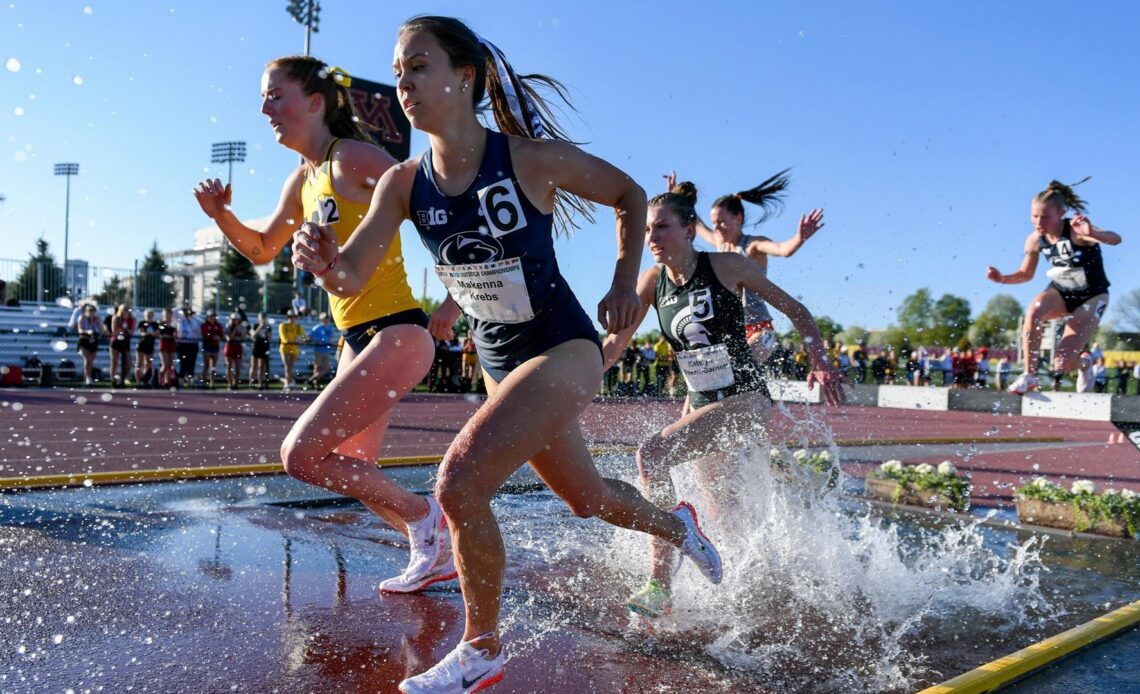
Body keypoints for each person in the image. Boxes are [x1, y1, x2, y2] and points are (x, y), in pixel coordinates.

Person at [290, 17, 725, 692]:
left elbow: (629, 196)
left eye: (419, 67)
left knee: (459, 483)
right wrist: (322, 263)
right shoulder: (403, 184)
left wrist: (620, 284)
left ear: (465, 79)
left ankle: (482, 650)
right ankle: (677, 525)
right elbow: (349, 275)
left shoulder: (527, 159)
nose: (404, 82)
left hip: (562, 347)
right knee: (587, 498)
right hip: (500, 359)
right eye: (398, 70)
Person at [193, 55, 452, 598]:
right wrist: (221, 217)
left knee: (301, 456)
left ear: (315, 102)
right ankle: (440, 550)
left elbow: (436, 206)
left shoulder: (353, 157)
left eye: (275, 95)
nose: (265, 108)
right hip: (356, 337)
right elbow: (263, 248)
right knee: (352, 469)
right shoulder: (303, 181)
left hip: (398, 330)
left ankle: (427, 516)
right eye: (264, 98)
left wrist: (454, 299)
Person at [602, 185, 844, 619]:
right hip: (700, 404)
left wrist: (820, 359)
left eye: (662, 228)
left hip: (745, 402)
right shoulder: (653, 282)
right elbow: (615, 345)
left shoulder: (728, 265)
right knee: (722, 513)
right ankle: (749, 585)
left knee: (652, 453)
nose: (653, 238)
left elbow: (797, 310)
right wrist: (576, 375)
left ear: (690, 231)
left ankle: (660, 582)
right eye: (647, 230)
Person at [665, 170, 825, 368]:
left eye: (722, 222)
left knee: (736, 368)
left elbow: (783, 250)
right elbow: (695, 222)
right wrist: (675, 198)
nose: (717, 228)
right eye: (714, 223)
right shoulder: (719, 243)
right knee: (715, 377)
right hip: (731, 330)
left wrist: (799, 238)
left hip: (762, 331)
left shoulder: (753, 245)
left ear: (737, 218)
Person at [987, 179, 1121, 394]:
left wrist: (1094, 234)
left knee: (1062, 363)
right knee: (1034, 310)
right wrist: (1002, 278)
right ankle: (1028, 375)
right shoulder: (1034, 239)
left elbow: (1116, 239)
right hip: (1060, 292)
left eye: (1045, 217)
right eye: (1034, 216)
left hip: (1092, 297)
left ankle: (1085, 365)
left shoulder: (1076, 230)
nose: (1038, 222)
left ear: (1061, 213)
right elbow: (1025, 274)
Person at [75, 303, 106, 386]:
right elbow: (80, 330)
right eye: (89, 310)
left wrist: (98, 335)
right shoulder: (82, 318)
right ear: (86, 311)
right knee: (87, 359)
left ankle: (87, 379)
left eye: (93, 310)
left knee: (91, 361)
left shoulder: (97, 318)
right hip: (84, 340)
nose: (91, 312)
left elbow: (102, 330)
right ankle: (88, 377)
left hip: (93, 341)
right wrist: (87, 332)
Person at [109, 304, 136, 387]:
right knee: (114, 362)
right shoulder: (116, 318)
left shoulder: (132, 319)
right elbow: (114, 331)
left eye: (127, 309)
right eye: (124, 309)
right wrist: (121, 332)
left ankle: (124, 378)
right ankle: (113, 379)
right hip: (116, 341)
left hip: (126, 342)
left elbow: (132, 332)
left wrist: (125, 330)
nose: (126, 311)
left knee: (128, 362)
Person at [175, 306, 202, 388]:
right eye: (186, 313)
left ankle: (190, 383)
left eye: (189, 313)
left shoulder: (195, 321)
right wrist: (182, 307)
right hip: (182, 344)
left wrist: (191, 317)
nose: (187, 314)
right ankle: (181, 384)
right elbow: (173, 312)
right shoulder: (180, 321)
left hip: (192, 344)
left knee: (191, 365)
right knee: (183, 364)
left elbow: (196, 331)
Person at [307, 311, 336, 388]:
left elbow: (331, 339)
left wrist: (331, 342)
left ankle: (312, 379)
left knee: (326, 368)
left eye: (327, 318)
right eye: (325, 318)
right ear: (321, 319)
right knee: (317, 367)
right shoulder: (317, 328)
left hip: (327, 350)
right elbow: (307, 337)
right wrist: (316, 341)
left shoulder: (330, 328)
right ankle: (315, 384)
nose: (327, 319)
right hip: (318, 350)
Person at [277, 310, 304, 390]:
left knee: (290, 367)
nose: (292, 319)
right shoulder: (283, 325)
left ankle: (288, 383)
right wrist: (294, 341)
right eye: (290, 317)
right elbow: (283, 338)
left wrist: (301, 339)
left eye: (294, 317)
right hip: (285, 348)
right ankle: (288, 383)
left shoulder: (298, 326)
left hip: (294, 348)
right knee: (287, 366)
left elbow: (303, 336)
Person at [200, 309, 224, 389]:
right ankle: (204, 383)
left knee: (213, 366)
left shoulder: (218, 325)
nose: (212, 317)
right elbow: (204, 334)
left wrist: (218, 337)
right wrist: (213, 337)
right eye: (210, 316)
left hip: (215, 346)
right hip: (207, 346)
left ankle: (212, 383)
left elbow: (221, 335)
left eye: (213, 316)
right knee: (206, 365)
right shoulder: (204, 325)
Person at [223, 312, 247, 390]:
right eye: (233, 319)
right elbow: (230, 338)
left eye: (236, 319)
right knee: (229, 366)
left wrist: (242, 330)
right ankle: (230, 383)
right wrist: (235, 329)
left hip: (238, 346)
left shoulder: (242, 327)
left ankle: (235, 383)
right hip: (230, 346)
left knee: (238, 367)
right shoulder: (228, 326)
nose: (235, 321)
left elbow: (243, 338)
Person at [135, 309, 158, 387]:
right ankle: (138, 381)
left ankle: (146, 380)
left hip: (150, 345)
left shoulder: (155, 324)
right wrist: (149, 334)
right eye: (148, 315)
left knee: (148, 363)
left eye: (151, 315)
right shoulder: (142, 323)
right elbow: (142, 333)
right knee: (139, 363)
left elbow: (156, 333)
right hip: (142, 344)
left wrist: (150, 334)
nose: (149, 316)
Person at [249, 312, 271, 390]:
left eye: (264, 317)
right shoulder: (255, 325)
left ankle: (260, 383)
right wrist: (260, 327)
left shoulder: (268, 327)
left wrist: (266, 330)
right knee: (253, 366)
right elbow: (253, 335)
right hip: (256, 347)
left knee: (261, 366)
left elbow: (269, 338)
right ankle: (251, 383)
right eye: (261, 317)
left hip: (263, 348)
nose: (263, 319)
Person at [156, 307, 178, 387]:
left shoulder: (173, 324)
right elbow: (159, 334)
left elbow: (175, 334)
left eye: (168, 314)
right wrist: (165, 335)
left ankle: (167, 382)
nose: (167, 316)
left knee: (170, 364)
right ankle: (159, 381)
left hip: (171, 344)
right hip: (164, 343)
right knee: (165, 365)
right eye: (165, 314)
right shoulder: (161, 323)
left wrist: (174, 335)